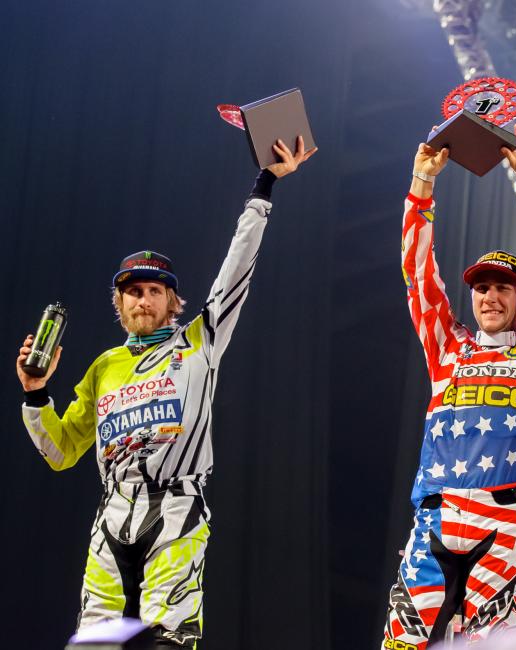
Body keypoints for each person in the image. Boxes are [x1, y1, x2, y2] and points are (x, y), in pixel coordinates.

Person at [16, 137, 316, 647]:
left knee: (169, 638)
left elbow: (236, 267)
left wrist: (264, 187)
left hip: (177, 504)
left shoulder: (201, 338)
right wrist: (36, 395)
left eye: (156, 290)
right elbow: (61, 451)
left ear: (173, 300)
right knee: (92, 641)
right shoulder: (102, 367)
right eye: (134, 290)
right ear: (119, 302)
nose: (144, 299)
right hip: (112, 511)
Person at [383, 124, 516, 649]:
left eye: (504, 288)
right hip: (436, 516)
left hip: (505, 521)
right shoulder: (448, 347)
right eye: (482, 288)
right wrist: (421, 184)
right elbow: (417, 273)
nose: (490, 296)